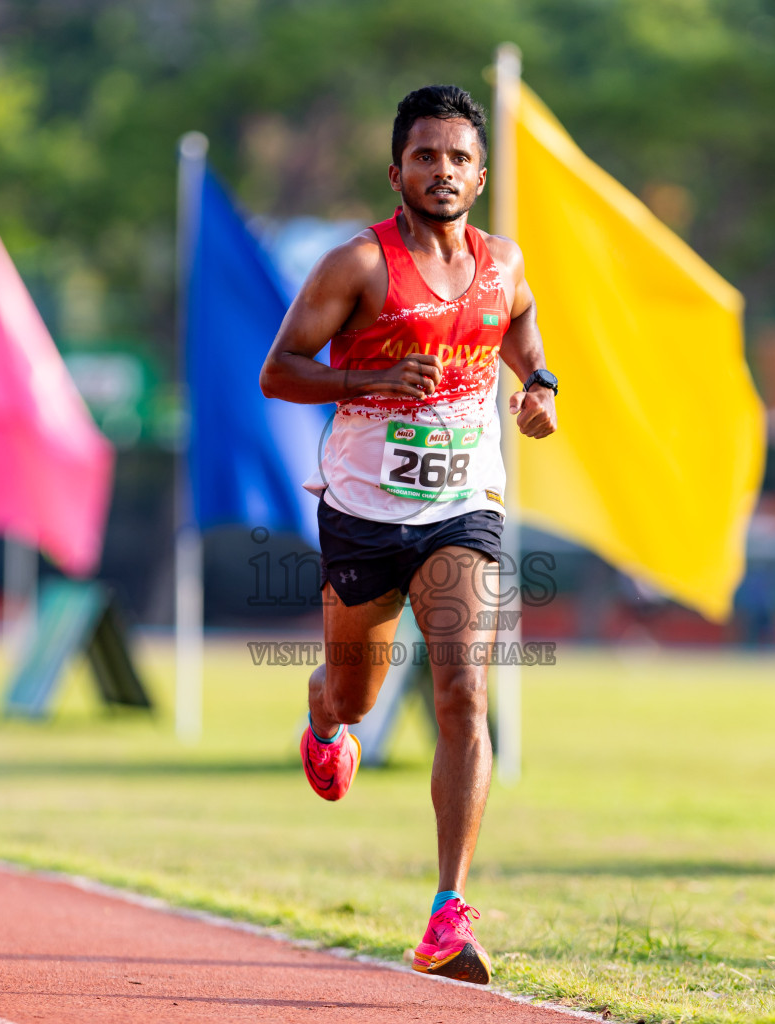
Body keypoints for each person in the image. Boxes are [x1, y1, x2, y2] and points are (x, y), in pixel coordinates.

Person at [259, 84, 558, 985]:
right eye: (426, 155)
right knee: (354, 696)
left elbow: (525, 329)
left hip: (465, 506)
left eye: (459, 157)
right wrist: (374, 374)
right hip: (362, 512)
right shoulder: (356, 265)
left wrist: (542, 388)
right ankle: (323, 722)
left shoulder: (502, 266)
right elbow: (280, 371)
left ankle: (446, 910)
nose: (443, 170)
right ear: (398, 171)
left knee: (464, 686)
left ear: (479, 174)